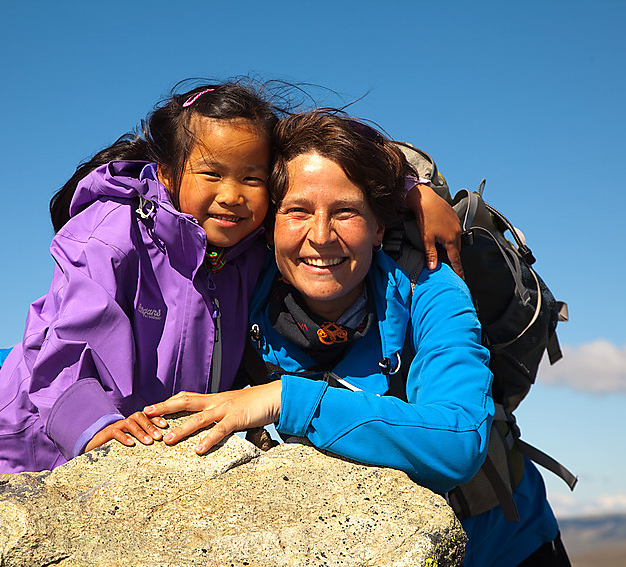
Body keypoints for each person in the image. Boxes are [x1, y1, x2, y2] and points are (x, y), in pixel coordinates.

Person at [142, 110, 570, 566]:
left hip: (507, 547)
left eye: (345, 212)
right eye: (297, 211)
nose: (321, 236)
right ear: (270, 225)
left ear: (379, 227)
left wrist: (288, 399)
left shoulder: (431, 287)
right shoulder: (244, 292)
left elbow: (460, 441)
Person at [0, 80, 280, 477]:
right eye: (211, 173)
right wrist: (94, 425)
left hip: (141, 450)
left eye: (252, 179)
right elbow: (69, 339)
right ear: (169, 175)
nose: (232, 195)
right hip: (19, 451)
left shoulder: (250, 255)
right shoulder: (112, 232)